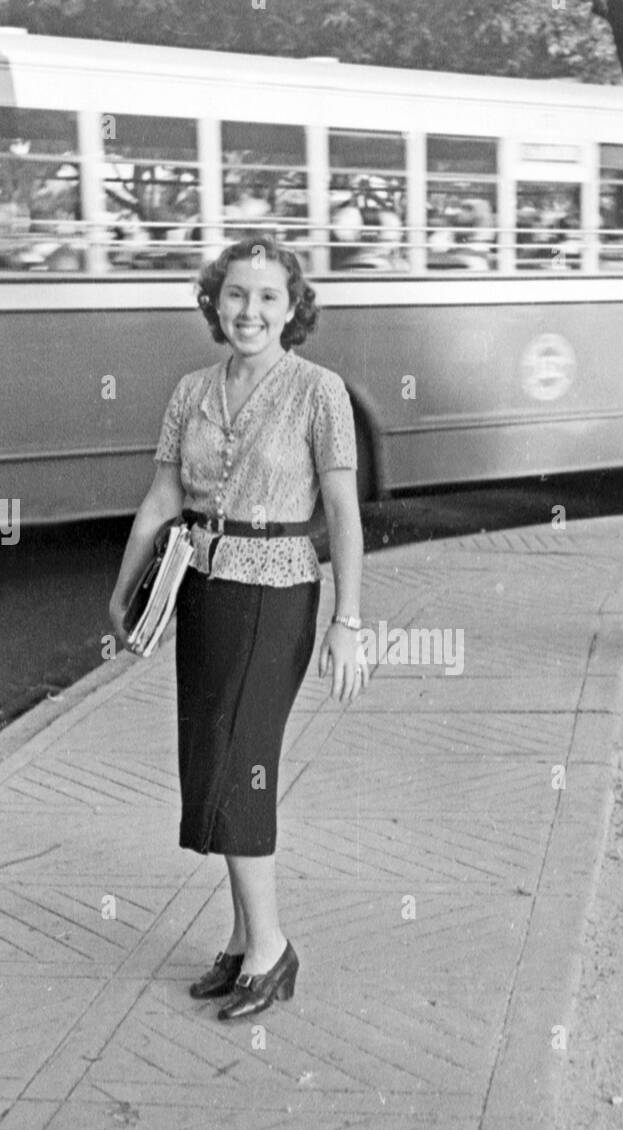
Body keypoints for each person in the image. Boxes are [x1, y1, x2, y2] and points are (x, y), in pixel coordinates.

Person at [108, 234, 367, 1020]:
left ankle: (272, 948)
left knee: (240, 764)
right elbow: (160, 502)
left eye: (266, 298)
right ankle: (241, 937)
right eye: (235, 295)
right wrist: (121, 596)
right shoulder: (190, 390)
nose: (248, 311)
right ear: (214, 303)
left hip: (278, 593)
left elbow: (345, 515)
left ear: (293, 310)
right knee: (212, 768)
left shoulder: (319, 391)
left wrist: (347, 621)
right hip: (203, 592)